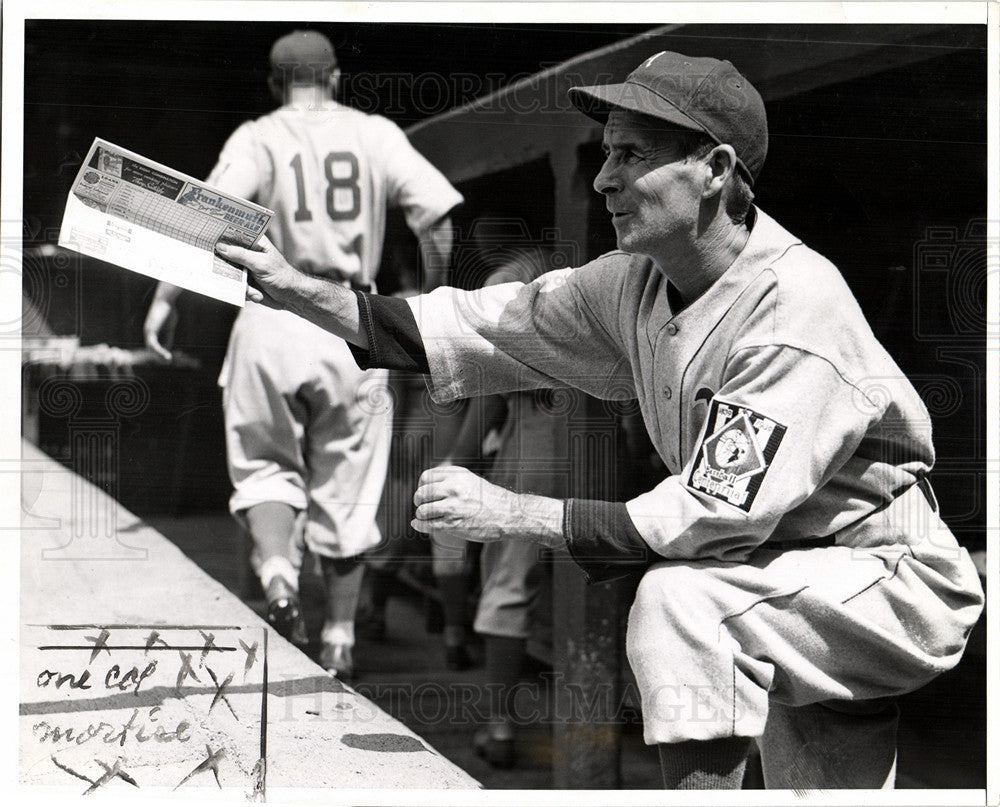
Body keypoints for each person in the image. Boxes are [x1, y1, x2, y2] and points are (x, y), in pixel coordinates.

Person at [217, 51, 984, 789]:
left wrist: (513, 510)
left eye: (633, 154)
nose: (605, 177)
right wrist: (293, 288)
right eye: (606, 150)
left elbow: (709, 516)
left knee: (684, 604)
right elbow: (475, 323)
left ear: (715, 170)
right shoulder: (636, 280)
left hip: (883, 573)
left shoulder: (792, 304)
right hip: (782, 577)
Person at [143, 30, 462, 681]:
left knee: (264, 468)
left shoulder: (258, 134)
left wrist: (163, 299)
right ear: (337, 78)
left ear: (273, 83)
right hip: (351, 319)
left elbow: (205, 215)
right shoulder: (374, 133)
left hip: (271, 314)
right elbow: (437, 218)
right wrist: (429, 302)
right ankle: (341, 639)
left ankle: (281, 581)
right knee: (349, 486)